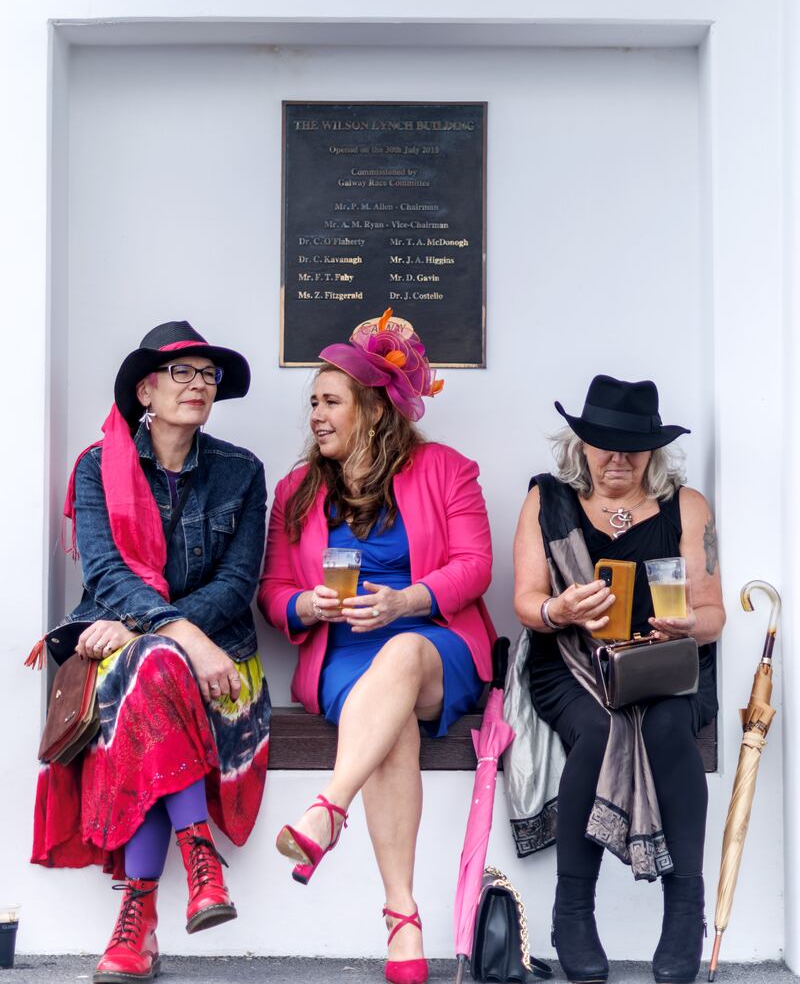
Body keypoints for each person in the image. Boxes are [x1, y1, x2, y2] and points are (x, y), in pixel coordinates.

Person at [259, 310, 495, 984]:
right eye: (313, 402)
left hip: (434, 643)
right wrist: (307, 604)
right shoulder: (295, 492)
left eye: (331, 402)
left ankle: (328, 808)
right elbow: (273, 589)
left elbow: (475, 565)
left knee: (403, 656)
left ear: (371, 409)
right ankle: (403, 917)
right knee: (388, 728)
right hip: (343, 655)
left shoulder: (447, 470)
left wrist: (405, 601)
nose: (316, 415)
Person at [31, 321, 271, 984]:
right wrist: (174, 637)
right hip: (138, 659)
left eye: (208, 374)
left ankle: (138, 922)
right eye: (181, 373)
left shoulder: (242, 473)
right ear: (145, 389)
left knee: (153, 661)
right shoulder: (95, 467)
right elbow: (106, 573)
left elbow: (237, 585)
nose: (198, 385)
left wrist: (147, 631)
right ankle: (200, 860)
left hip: (217, 661)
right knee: (157, 665)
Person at [509, 375, 724, 984]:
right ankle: (572, 914)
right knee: (600, 732)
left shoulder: (687, 507)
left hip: (667, 667)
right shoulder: (546, 500)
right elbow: (526, 602)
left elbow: (714, 615)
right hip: (574, 665)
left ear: (653, 451)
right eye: (603, 442)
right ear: (580, 444)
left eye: (632, 445)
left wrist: (686, 627)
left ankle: (685, 914)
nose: (617, 457)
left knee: (665, 730)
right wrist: (560, 611)